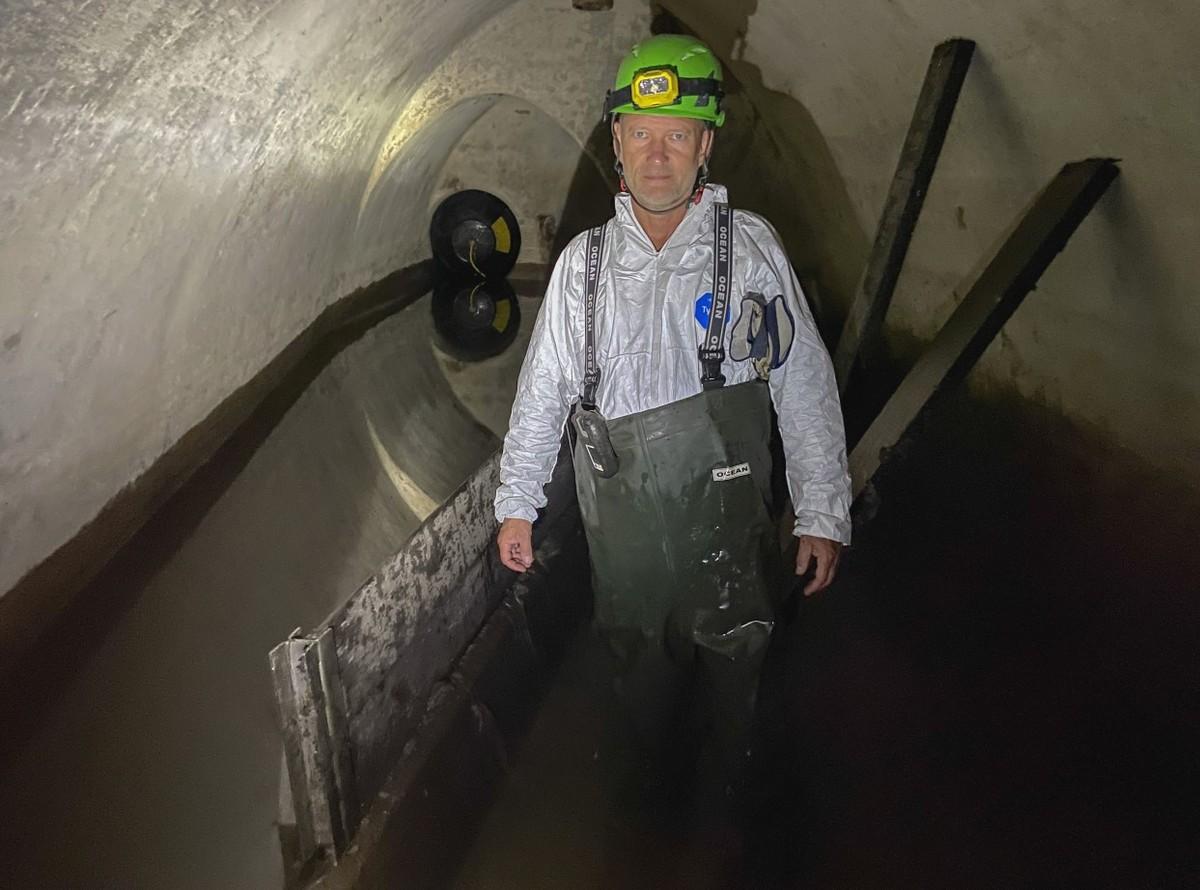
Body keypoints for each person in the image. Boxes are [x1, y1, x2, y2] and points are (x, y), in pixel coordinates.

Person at [493, 33, 852, 799]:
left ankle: (733, 806)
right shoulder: (582, 265)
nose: (658, 155)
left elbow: (803, 384)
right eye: (642, 135)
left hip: (726, 521)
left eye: (677, 136)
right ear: (617, 144)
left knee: (737, 669)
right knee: (639, 672)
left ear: (705, 145)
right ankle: (649, 807)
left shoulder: (749, 251)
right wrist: (517, 503)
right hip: (622, 534)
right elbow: (543, 392)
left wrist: (822, 509)